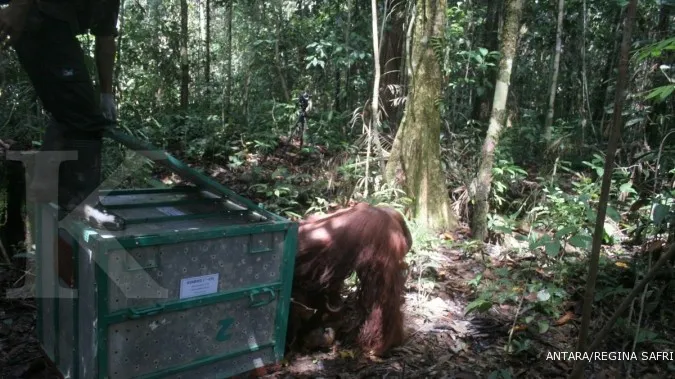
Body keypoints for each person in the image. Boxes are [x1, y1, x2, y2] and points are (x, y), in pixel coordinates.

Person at [0, 0, 125, 231]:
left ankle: (45, 186)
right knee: (84, 115)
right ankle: (81, 201)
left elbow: (106, 41)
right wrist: (19, 6)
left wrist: (107, 94)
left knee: (69, 109)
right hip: (39, 17)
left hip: (50, 24)